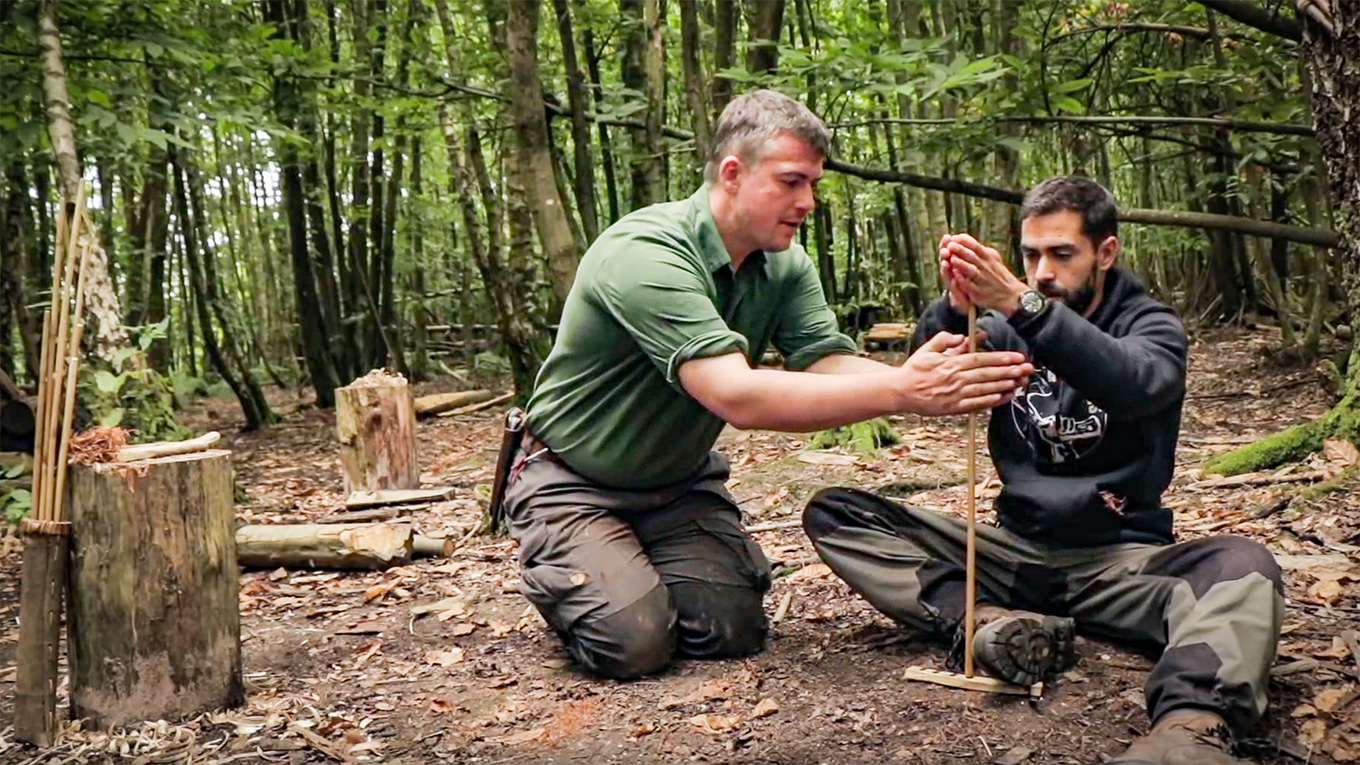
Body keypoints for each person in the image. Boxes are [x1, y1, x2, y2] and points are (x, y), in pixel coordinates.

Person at [498, 89, 1034, 681]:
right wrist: (907, 391)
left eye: (813, 185)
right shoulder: (645, 253)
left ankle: (631, 568)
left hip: (675, 487)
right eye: (791, 182)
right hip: (573, 479)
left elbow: (826, 361)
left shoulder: (785, 264)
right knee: (633, 643)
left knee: (732, 630)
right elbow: (735, 395)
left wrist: (939, 378)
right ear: (733, 173)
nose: (807, 201)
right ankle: (585, 573)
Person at [802, 177, 1284, 765]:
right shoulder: (1008, 325)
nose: (1043, 273)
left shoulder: (1151, 325)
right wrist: (956, 307)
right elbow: (933, 360)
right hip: (1015, 556)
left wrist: (1021, 305)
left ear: (1105, 253)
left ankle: (1189, 730)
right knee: (838, 510)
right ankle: (985, 624)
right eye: (1030, 256)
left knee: (1244, 567)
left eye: (1062, 254)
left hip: (1120, 562)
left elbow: (1135, 385)